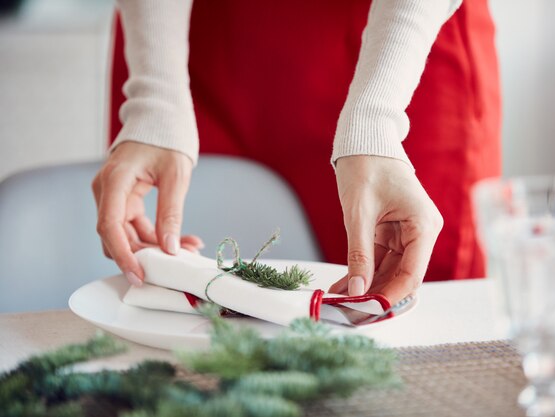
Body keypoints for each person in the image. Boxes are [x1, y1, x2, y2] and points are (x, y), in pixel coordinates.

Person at [92, 0, 500, 304]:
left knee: (415, 302)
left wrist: (375, 118)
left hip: (398, 43)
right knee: (174, 308)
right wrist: (156, 101)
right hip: (184, 42)